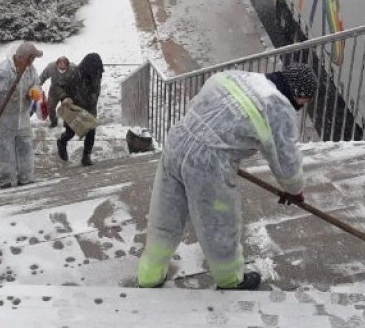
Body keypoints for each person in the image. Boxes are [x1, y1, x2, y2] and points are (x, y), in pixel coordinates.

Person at [136, 64, 318, 291]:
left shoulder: (234, 77)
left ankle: (149, 275)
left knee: (165, 217)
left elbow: (202, 109)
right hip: (208, 167)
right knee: (219, 226)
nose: (302, 106)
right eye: (305, 101)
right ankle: (231, 280)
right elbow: (286, 160)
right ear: (299, 93)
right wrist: (295, 190)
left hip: (176, 144)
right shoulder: (278, 108)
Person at [0, 42, 44, 189]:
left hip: (22, 117)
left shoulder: (30, 70)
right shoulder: (1, 72)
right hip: (2, 119)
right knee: (4, 153)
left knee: (26, 149)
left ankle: (26, 180)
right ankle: (6, 183)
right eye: (31, 58)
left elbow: (36, 83)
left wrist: (34, 90)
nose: (33, 62)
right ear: (22, 57)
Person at [57, 52, 103, 166]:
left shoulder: (97, 74)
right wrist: (64, 97)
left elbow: (95, 92)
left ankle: (86, 156)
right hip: (74, 108)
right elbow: (59, 87)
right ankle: (62, 142)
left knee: (91, 132)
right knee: (70, 132)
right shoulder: (74, 73)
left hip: (90, 108)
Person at [39, 56, 77, 129]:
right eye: (60, 67)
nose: (61, 69)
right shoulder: (51, 67)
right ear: (56, 65)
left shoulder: (73, 68)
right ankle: (53, 121)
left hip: (67, 89)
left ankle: (66, 122)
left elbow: (79, 79)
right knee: (50, 106)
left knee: (68, 106)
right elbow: (42, 77)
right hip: (54, 89)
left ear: (68, 66)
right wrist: (37, 86)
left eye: (63, 68)